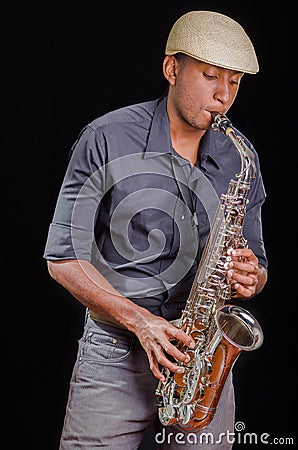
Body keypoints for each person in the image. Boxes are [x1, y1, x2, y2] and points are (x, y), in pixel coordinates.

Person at [44, 10, 268, 450]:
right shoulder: (106, 138)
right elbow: (62, 259)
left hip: (203, 359)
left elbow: (259, 266)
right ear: (172, 69)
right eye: (210, 76)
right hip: (114, 354)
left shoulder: (242, 158)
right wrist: (142, 323)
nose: (224, 96)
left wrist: (252, 275)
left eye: (235, 82)